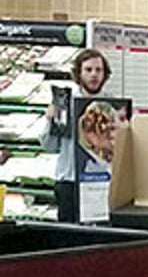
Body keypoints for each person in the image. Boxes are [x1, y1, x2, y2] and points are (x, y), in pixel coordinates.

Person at [42, 48, 111, 221]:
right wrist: (50, 121)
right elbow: (49, 147)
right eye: (88, 70)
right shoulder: (63, 104)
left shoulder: (112, 106)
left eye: (98, 70)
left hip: (100, 183)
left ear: (105, 74)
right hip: (69, 183)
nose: (94, 75)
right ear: (78, 73)